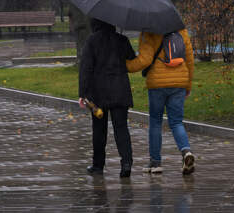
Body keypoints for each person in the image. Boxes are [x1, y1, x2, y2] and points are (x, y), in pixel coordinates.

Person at [126, 29, 195, 174]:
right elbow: (189, 59)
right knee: (176, 122)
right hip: (179, 82)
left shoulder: (149, 31)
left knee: (156, 121)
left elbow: (145, 60)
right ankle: (186, 151)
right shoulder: (181, 30)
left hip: (157, 84)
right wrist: (188, 85)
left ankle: (155, 163)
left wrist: (124, 65)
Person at [79, 18, 136, 177]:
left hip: (98, 93)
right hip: (120, 90)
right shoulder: (121, 39)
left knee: (99, 130)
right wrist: (122, 41)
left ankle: (98, 166)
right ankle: (126, 163)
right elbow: (131, 57)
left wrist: (82, 93)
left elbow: (85, 68)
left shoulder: (91, 41)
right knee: (121, 128)